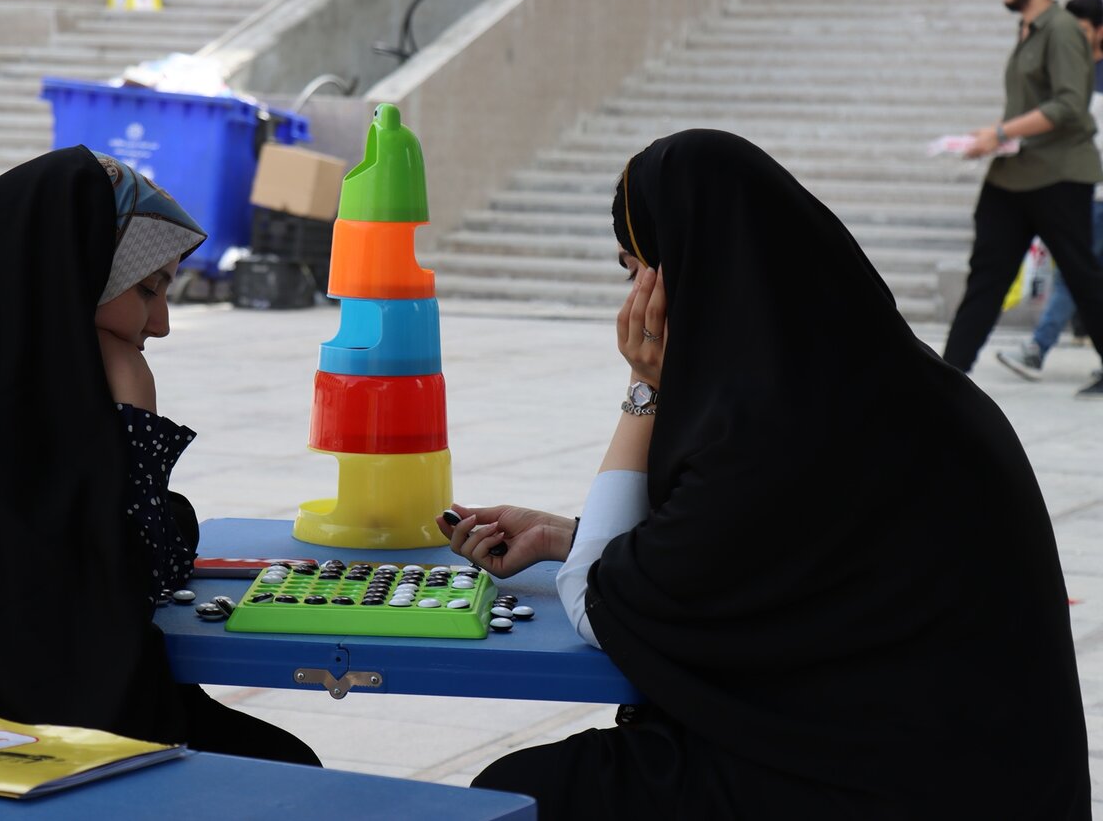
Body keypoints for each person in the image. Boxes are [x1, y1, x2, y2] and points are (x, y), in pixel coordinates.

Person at [439, 130, 1089, 818]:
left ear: (692, 271)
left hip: (884, 787)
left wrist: (644, 391)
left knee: (525, 795)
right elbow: (766, 561)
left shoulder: (768, 428)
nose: (633, 305)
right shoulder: (897, 385)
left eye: (637, 273)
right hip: (970, 775)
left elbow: (598, 603)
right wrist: (568, 537)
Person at [0, 146, 319, 766]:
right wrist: (134, 417)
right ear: (68, 272)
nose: (161, 323)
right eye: (147, 289)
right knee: (284, 770)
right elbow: (138, 574)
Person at [943, 0, 1103, 398]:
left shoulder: (1062, 29)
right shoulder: (1029, 30)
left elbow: (1069, 105)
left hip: (1059, 175)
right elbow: (1029, 105)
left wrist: (1000, 133)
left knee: (1081, 276)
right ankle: (947, 376)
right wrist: (990, 136)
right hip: (1013, 175)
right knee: (986, 278)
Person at [998, 0, 1103, 393]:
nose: (1074, 36)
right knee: (1080, 274)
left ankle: (1037, 348)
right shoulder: (1065, 71)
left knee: (1075, 274)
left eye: (1082, 29)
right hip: (1072, 188)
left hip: (1093, 190)